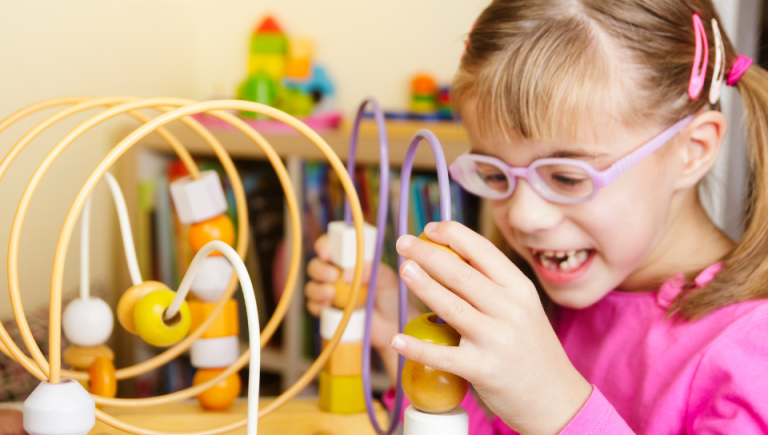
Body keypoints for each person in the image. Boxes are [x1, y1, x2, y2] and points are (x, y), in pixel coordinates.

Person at [306, 0, 768, 433]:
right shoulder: (553, 300)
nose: (524, 216)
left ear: (693, 150)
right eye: (494, 172)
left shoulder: (751, 353)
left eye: (566, 177)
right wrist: (402, 328)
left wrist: (557, 406)